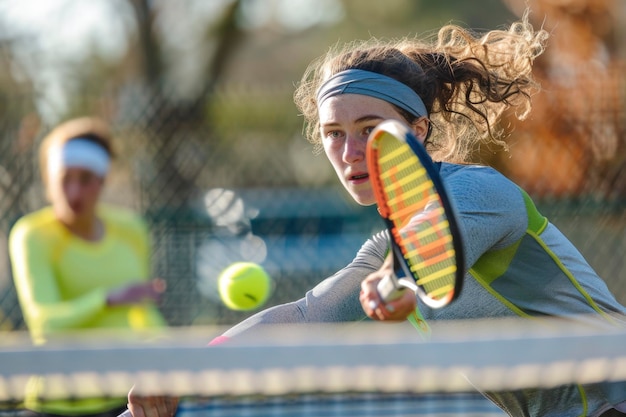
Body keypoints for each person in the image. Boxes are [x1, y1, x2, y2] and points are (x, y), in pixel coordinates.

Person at [126, 10, 626, 417]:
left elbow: (433, 252)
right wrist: (184, 373)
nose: (350, 152)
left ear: (419, 130)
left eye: (370, 128)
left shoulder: (480, 192)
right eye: (333, 134)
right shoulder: (386, 249)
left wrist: (393, 286)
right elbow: (306, 316)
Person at [8, 117, 168, 417]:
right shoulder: (30, 234)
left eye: (85, 179)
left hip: (123, 402)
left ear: (102, 181)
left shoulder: (132, 229)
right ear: (48, 181)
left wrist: (175, 358)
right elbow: (46, 323)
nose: (74, 193)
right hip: (53, 406)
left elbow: (142, 314)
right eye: (64, 179)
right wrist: (108, 298)